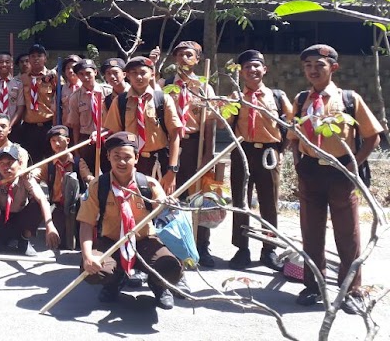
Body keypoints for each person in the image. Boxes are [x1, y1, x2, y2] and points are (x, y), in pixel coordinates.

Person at [288, 44, 383, 314]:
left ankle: (351, 290)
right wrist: (298, 162)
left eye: (319, 65)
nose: (313, 70)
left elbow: (372, 135)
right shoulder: (301, 99)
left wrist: (354, 166)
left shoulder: (349, 99)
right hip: (310, 172)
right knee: (311, 231)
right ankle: (312, 286)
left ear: (333, 68)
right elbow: (293, 136)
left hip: (340, 171)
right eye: (307, 65)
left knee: (347, 232)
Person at [77, 132, 183, 310]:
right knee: (92, 271)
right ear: (108, 157)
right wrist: (87, 256)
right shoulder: (99, 186)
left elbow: (163, 208)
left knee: (170, 267)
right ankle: (114, 281)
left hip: (144, 241)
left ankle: (159, 286)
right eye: (116, 156)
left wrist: (168, 205)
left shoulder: (148, 185)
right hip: (112, 242)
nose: (121, 162)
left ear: (136, 158)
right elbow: (86, 223)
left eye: (127, 157)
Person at [228, 49, 293, 271]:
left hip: (269, 153)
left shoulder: (278, 97)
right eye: (247, 67)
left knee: (269, 202)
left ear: (264, 70)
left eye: (256, 66)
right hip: (242, 152)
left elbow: (293, 127)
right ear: (241, 73)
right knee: (240, 201)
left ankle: (269, 249)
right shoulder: (235, 96)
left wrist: (281, 150)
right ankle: (242, 248)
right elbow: (222, 124)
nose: (252, 70)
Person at [158, 40, 217, 267]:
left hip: (195, 145)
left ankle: (201, 245)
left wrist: (208, 155)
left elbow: (210, 125)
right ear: (175, 58)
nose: (184, 58)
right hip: (170, 146)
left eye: (189, 55)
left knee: (197, 197)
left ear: (197, 59)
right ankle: (173, 245)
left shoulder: (204, 87)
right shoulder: (165, 84)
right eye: (180, 54)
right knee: (171, 196)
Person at [103, 56, 182, 195]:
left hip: (159, 160)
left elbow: (174, 135)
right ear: (127, 75)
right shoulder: (120, 101)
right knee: (132, 203)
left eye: (143, 72)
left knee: (159, 202)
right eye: (133, 73)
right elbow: (115, 134)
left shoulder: (162, 99)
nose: (138, 77)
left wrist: (172, 170)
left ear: (152, 73)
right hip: (130, 161)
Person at [0, 145, 60, 256]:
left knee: (37, 204)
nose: (6, 167)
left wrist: (49, 225)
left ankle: (24, 240)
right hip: (1, 219)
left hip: (20, 218)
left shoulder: (26, 177)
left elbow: (43, 199)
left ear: (19, 163)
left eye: (10, 163)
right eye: (2, 164)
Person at [34, 125, 83, 249]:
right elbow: (36, 175)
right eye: (53, 141)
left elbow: (88, 177)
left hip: (76, 206)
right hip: (58, 206)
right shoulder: (49, 164)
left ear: (67, 141)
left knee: (76, 239)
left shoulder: (78, 163)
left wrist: (93, 181)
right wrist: (30, 175)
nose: (57, 144)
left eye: (59, 139)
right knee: (60, 242)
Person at [66, 59, 111, 176]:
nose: (85, 77)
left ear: (95, 72)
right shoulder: (75, 97)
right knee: (89, 173)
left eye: (88, 73)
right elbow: (75, 125)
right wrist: (76, 149)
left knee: (110, 171)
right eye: (81, 74)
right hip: (87, 140)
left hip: (107, 137)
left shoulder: (108, 92)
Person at [17, 44, 58, 162]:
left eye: (39, 56)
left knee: (50, 160)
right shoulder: (23, 78)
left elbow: (60, 98)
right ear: (29, 59)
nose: (36, 59)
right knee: (30, 160)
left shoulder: (53, 76)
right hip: (29, 127)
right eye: (33, 56)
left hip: (48, 125)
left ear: (45, 58)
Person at [0, 51, 24, 126]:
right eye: (1, 62)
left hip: (13, 125)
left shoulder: (18, 84)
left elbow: (20, 108)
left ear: (11, 64)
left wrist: (9, 126)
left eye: (7, 62)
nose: (4, 65)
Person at [58, 54, 82, 131]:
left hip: (83, 129)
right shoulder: (60, 89)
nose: (71, 71)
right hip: (66, 129)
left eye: (74, 68)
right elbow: (56, 112)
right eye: (67, 68)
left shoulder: (86, 88)